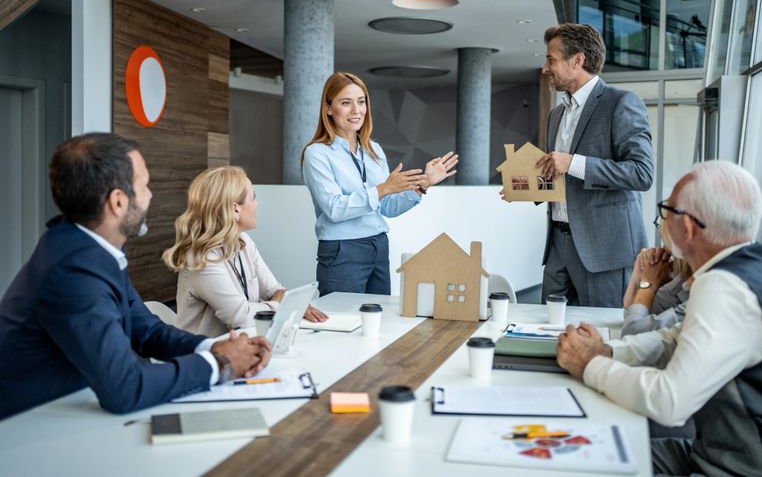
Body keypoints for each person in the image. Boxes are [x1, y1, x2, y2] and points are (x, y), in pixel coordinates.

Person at [0, 133, 271, 420]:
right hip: (25, 431)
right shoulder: (74, 269)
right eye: (144, 185)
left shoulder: (89, 249)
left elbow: (149, 332)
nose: (150, 195)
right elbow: (125, 388)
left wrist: (214, 347)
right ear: (118, 201)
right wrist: (220, 363)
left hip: (65, 415)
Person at [556, 160, 762, 476]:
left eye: (665, 209)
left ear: (686, 227)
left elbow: (669, 401)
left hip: (733, 470)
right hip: (714, 452)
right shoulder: (761, 268)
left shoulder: (723, 285)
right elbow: (676, 338)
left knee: (579, 459)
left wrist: (590, 364)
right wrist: (610, 352)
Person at [302, 72, 458, 297]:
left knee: (378, 320)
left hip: (378, 245)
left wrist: (422, 186)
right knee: (343, 322)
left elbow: (387, 208)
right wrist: (383, 189)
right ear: (328, 109)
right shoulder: (317, 153)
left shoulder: (374, 151)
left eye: (361, 101)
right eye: (346, 103)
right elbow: (334, 209)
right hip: (342, 249)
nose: (356, 110)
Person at [536, 24, 654, 307]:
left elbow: (642, 173)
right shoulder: (556, 114)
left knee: (602, 335)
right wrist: (531, 188)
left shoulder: (621, 103)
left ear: (577, 60)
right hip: (558, 246)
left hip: (605, 250)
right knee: (546, 332)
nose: (544, 68)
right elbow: (560, 174)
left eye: (551, 59)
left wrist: (574, 163)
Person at [163, 166, 327, 337]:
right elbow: (240, 317)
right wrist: (278, 305)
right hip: (207, 356)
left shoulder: (243, 242)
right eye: (253, 197)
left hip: (242, 347)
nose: (257, 204)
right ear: (235, 209)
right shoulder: (202, 259)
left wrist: (287, 302)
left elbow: (274, 290)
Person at [621, 242, 692, 337]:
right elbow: (631, 314)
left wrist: (648, 284)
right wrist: (638, 274)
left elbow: (633, 334)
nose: (664, 246)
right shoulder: (680, 274)